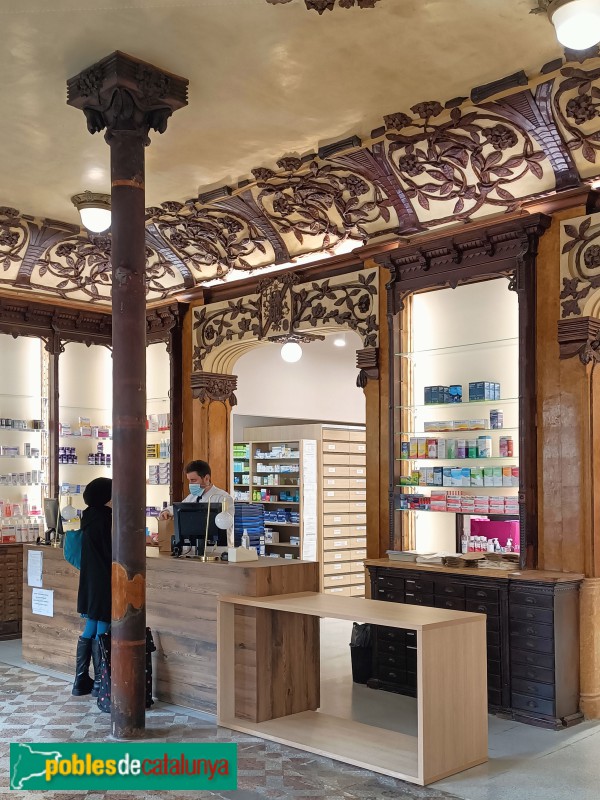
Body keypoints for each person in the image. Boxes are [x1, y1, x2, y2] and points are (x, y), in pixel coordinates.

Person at [72, 477, 112, 697]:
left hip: (90, 578)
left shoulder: (88, 516)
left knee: (92, 623)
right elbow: (112, 550)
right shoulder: (105, 518)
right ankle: (100, 682)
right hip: (104, 577)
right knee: (103, 622)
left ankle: (80, 681)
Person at [159, 460, 234, 544]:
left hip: (216, 548)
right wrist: (167, 511)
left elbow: (226, 528)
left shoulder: (223, 498)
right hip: (193, 547)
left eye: (193, 480)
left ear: (206, 478)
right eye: (189, 480)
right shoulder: (192, 497)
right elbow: (179, 508)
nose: (190, 484)